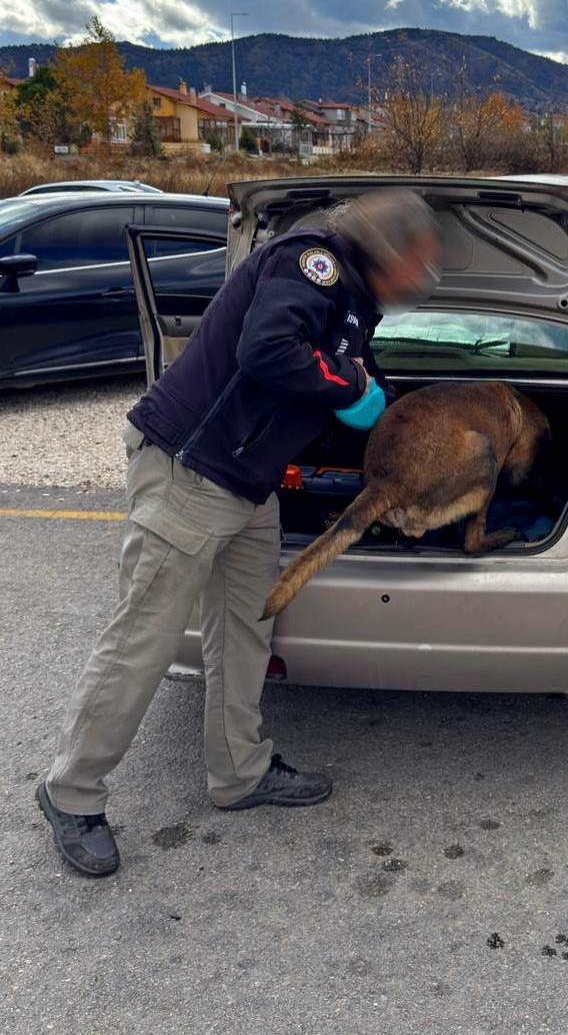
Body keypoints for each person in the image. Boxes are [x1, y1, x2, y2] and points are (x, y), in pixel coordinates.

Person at [38, 188, 443, 878]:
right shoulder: (311, 264)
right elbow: (268, 349)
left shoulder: (351, 299)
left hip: (246, 480)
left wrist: (376, 393)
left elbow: (333, 359)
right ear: (387, 250)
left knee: (246, 625)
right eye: (421, 264)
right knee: (144, 637)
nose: (425, 280)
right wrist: (349, 388)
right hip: (189, 469)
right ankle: (70, 792)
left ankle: (239, 770)